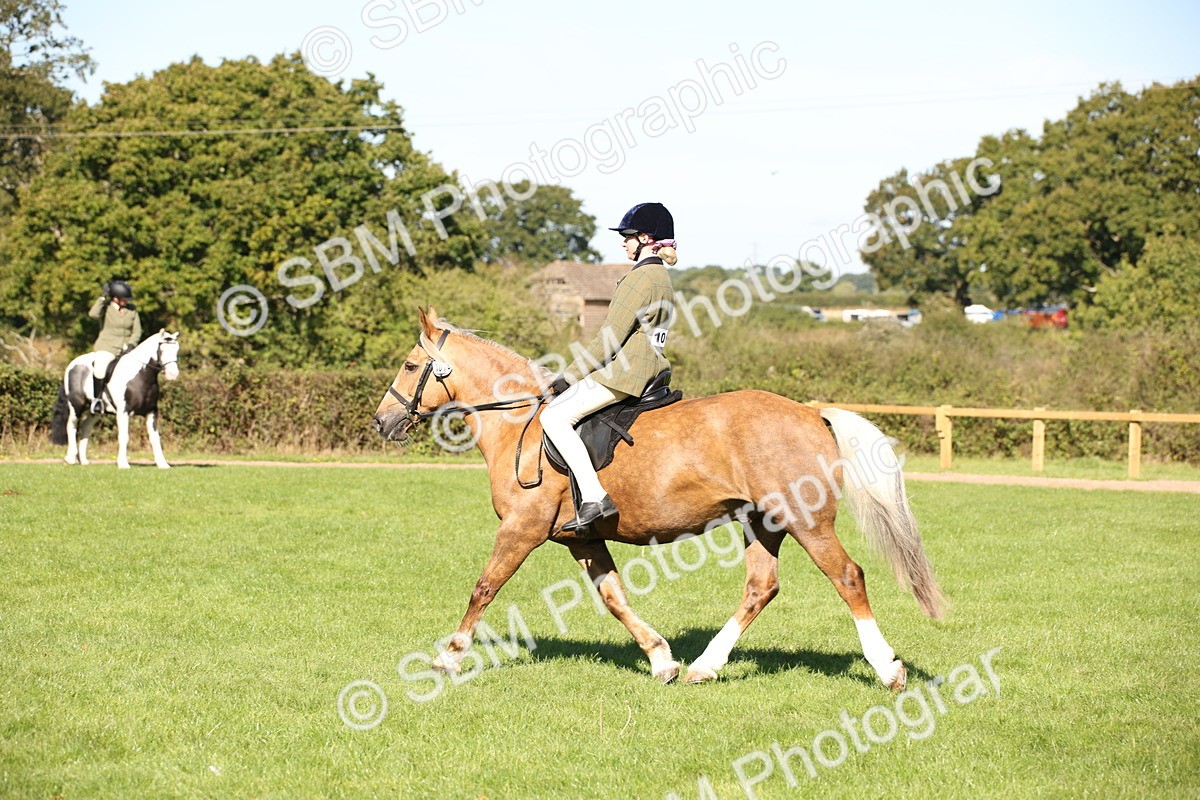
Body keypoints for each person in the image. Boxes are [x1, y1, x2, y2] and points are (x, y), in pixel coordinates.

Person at [542, 202, 677, 531]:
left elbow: (609, 338)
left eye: (627, 237)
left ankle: (593, 496)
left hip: (627, 372)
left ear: (645, 239)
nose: (623, 243)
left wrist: (569, 377)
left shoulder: (639, 279)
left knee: (554, 417)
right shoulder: (662, 277)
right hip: (653, 367)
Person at [88, 279, 142, 413]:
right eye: (124, 299)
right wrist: (102, 298)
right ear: (115, 298)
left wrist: (132, 343)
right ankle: (97, 400)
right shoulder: (106, 308)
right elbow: (93, 314)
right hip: (107, 347)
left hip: (126, 349)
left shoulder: (132, 310)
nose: (126, 301)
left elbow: (137, 331)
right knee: (100, 369)